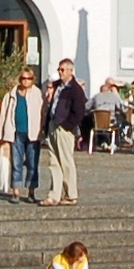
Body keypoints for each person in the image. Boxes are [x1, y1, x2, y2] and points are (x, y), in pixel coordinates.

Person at [42, 58, 91, 206]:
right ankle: (54, 195)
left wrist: (67, 125)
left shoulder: (75, 90)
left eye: (63, 70)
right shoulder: (58, 86)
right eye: (59, 69)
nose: (60, 72)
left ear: (71, 71)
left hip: (64, 128)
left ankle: (71, 194)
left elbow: (80, 112)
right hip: (52, 125)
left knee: (66, 161)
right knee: (53, 161)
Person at [0, 68, 46, 202]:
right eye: (23, 78)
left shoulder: (38, 94)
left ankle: (31, 192)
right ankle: (16, 192)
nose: (26, 81)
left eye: (29, 78)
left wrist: (43, 131)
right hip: (16, 132)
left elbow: (43, 113)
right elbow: (4, 114)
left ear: (33, 80)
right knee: (16, 163)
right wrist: (1, 134)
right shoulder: (11, 94)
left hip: (33, 133)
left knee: (32, 164)